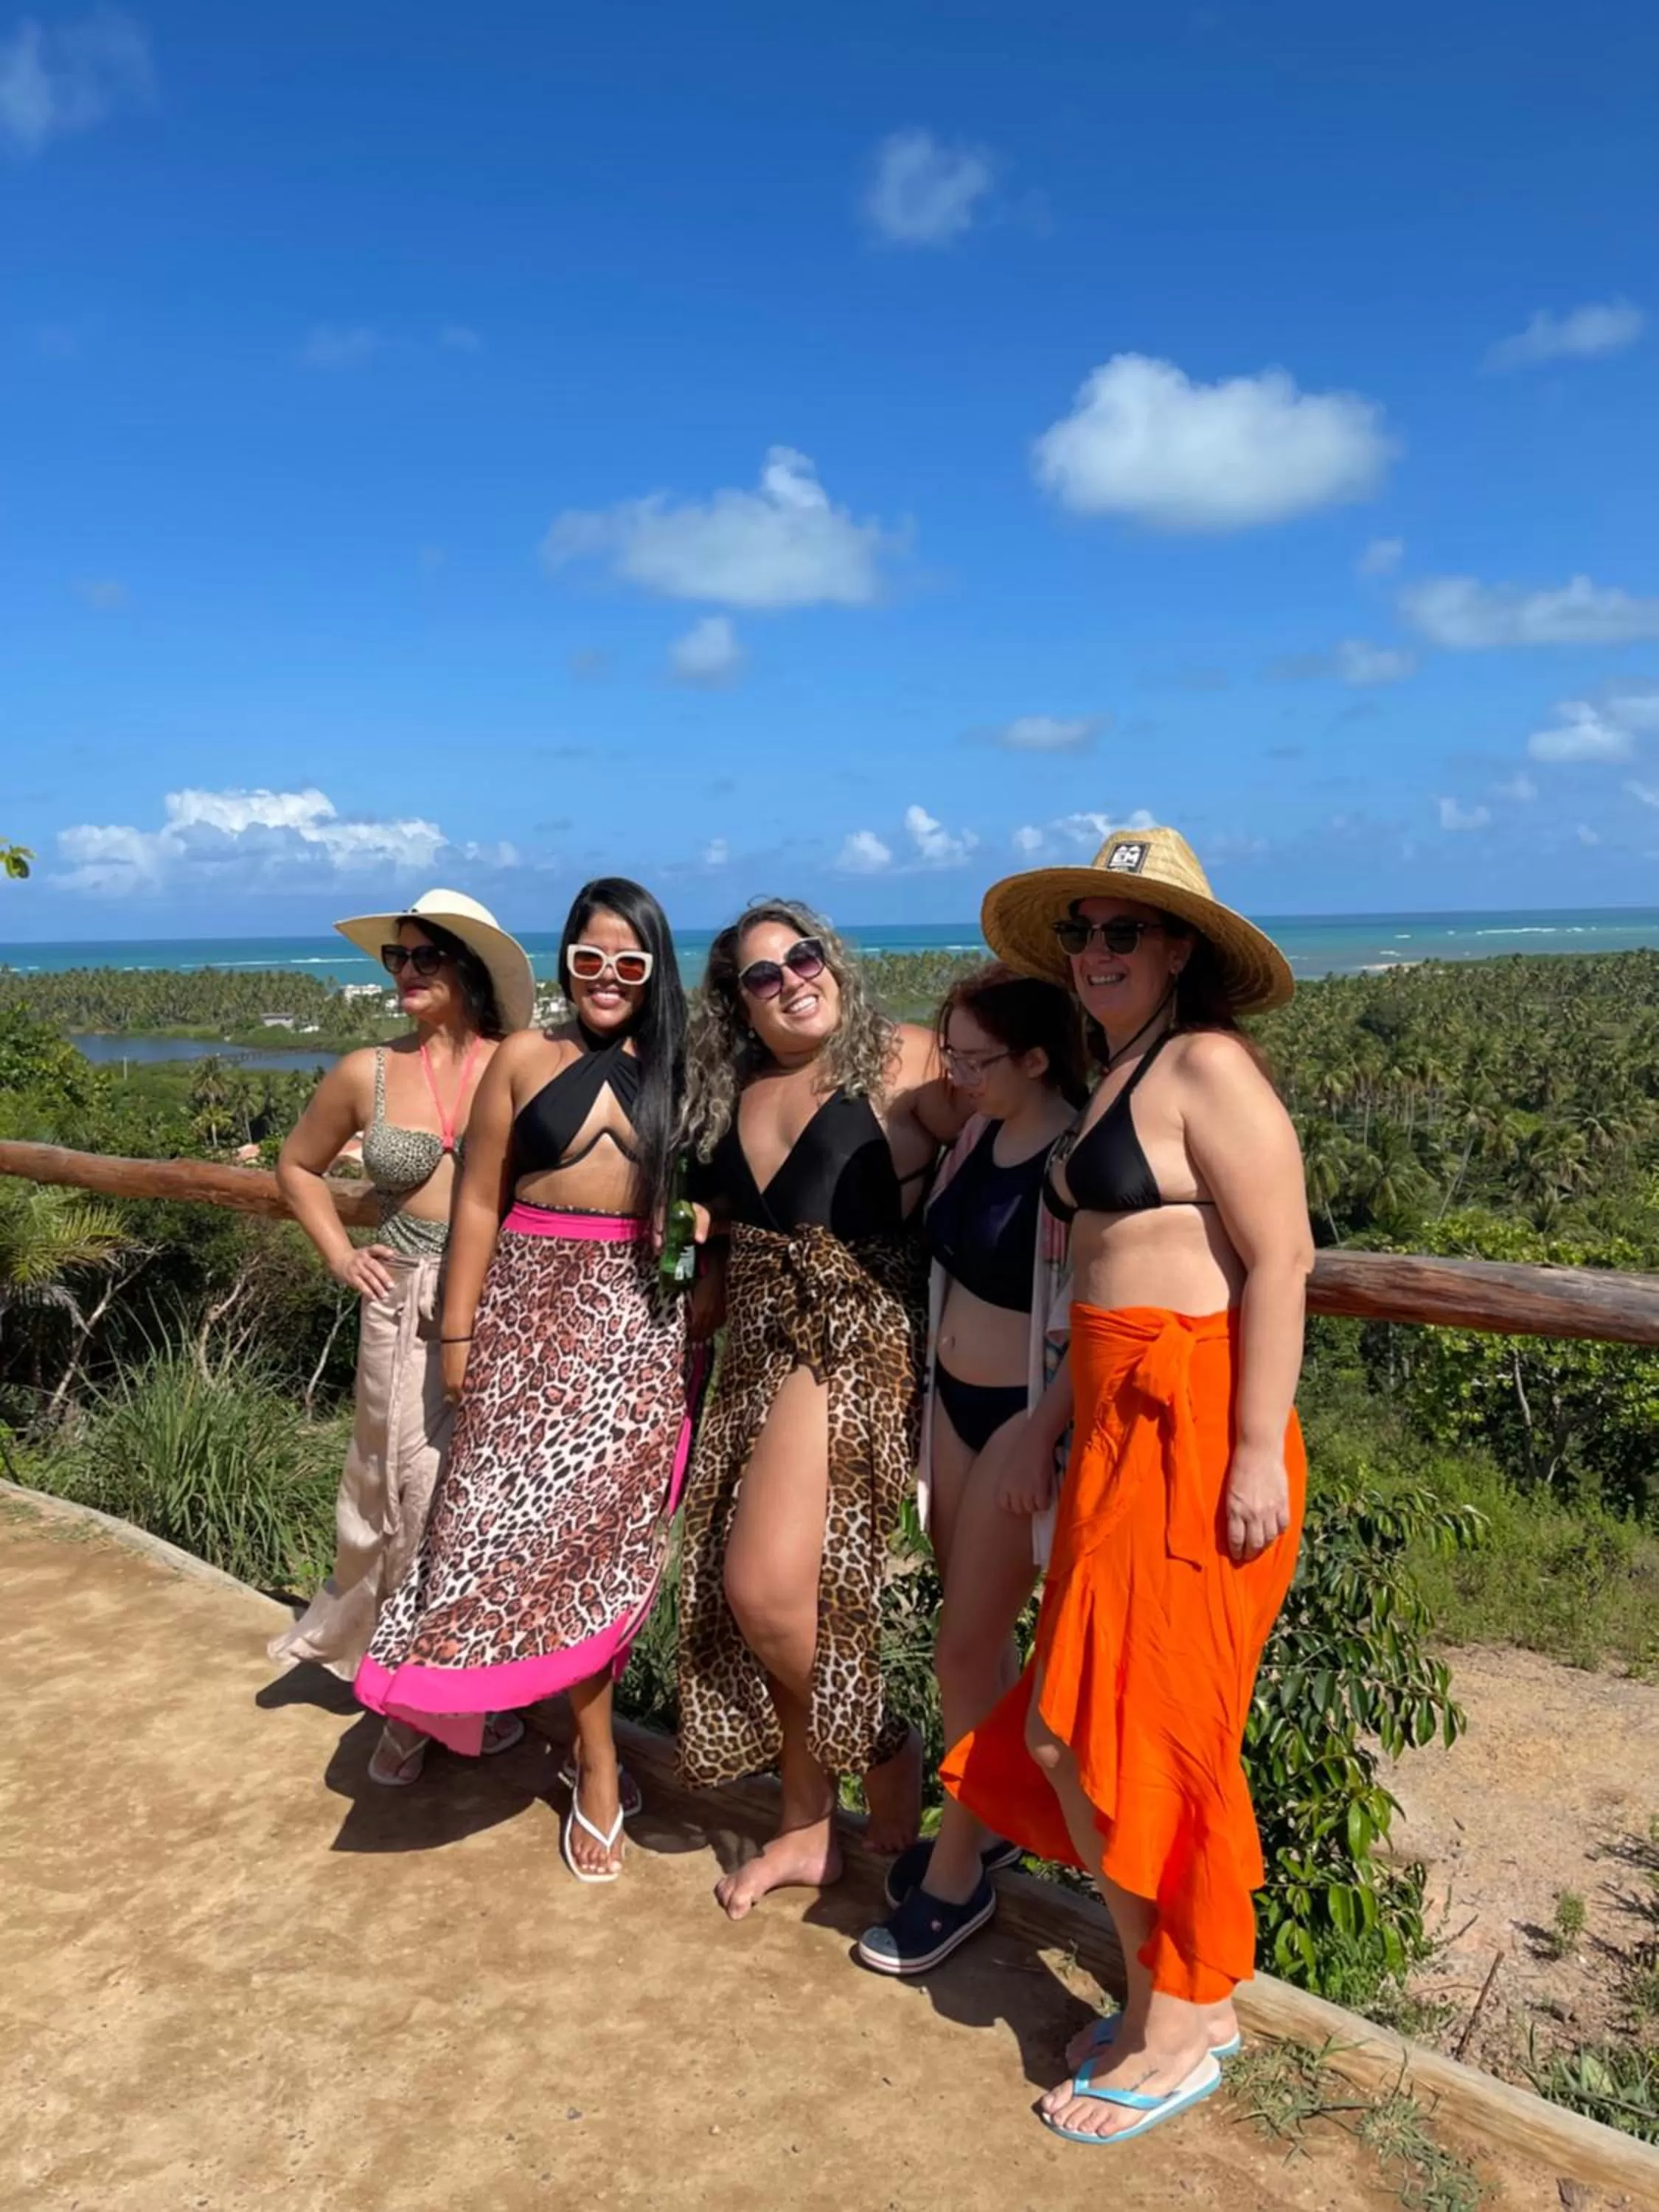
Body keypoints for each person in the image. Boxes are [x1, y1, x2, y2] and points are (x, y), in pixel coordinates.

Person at [942, 824, 1311, 2147]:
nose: (1097, 953)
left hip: (1195, 1429)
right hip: (1106, 1425)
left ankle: (1182, 2020)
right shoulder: (1117, 1074)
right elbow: (1100, 1272)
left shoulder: (1207, 1066)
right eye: (1084, 933)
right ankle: (1177, 1993)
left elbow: (1281, 1262)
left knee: (1142, 1736)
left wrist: (1257, 1447)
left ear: (1177, 951)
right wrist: (1046, 1420)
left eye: (1123, 933)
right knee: (1071, 1726)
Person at [357, 878, 699, 1880]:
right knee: (480, 1524)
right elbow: (474, 1206)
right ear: (564, 962)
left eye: (627, 963)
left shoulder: (686, 1071)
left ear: (652, 971)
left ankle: (595, 1764)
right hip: (524, 1319)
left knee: (599, 1549)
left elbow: (707, 1198)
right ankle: (435, 1704)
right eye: (587, 960)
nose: (605, 979)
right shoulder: (524, 1056)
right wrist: (457, 1339)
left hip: (636, 1331)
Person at [676, 900, 956, 1920]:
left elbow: (1026, 1120)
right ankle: (804, 1826)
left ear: (834, 959)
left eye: (803, 955)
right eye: (761, 974)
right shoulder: (733, 1091)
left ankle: (881, 1741)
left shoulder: (905, 1061)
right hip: (753, 1343)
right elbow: (711, 1216)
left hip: (853, 1335)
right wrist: (705, 1253)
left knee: (764, 1588)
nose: (791, 978)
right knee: (780, 1591)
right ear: (739, 1005)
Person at [268, 888, 535, 1792]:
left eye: (426, 957)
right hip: (400, 1307)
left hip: (503, 1307)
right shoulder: (367, 1072)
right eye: (397, 958)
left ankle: (462, 1686)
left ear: (468, 968)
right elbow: (296, 1166)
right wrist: (342, 1255)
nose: (407, 972)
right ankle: (414, 1700)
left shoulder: (521, 1062)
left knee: (484, 1500)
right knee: (401, 1497)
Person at [855, 964, 1086, 1975]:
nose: (953, 1072)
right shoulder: (979, 1130)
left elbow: (1098, 1309)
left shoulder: (1075, 1154)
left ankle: (957, 1875)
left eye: (975, 1058)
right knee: (975, 1645)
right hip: (952, 1406)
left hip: (1020, 1421)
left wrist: (1042, 1432)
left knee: (962, 1651)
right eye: (948, 1052)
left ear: (1035, 1059)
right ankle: (990, 1820)